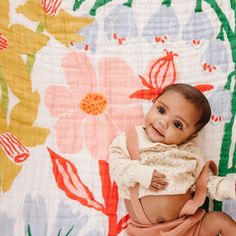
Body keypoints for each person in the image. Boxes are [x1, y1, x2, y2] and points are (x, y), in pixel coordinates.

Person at [109, 83, 236, 236]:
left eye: (177, 124)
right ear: (153, 102)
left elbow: (206, 184)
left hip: (187, 227)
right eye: (161, 110)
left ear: (190, 137)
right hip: (145, 232)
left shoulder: (189, 154)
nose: (163, 122)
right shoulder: (130, 139)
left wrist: (230, 188)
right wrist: (139, 173)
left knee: (220, 220)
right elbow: (116, 166)